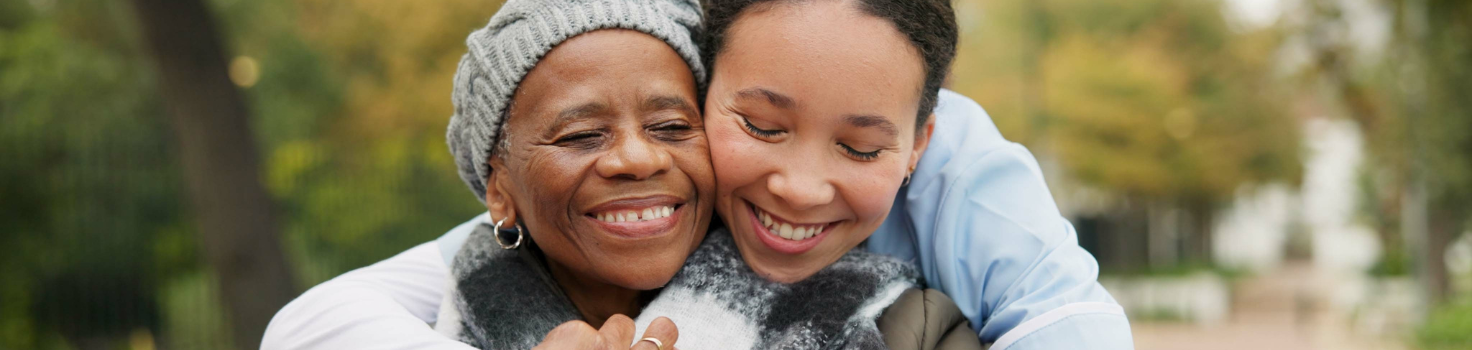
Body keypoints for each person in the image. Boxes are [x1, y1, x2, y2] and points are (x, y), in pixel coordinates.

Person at [266, 0, 1135, 349]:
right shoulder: (554, 241)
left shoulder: (949, 183)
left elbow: (1066, 315)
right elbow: (314, 322)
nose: (798, 183)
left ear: (918, 143)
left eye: (862, 149)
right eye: (759, 126)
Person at [263, 0, 717, 348]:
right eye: (581, 135)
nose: (639, 159)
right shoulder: (386, 326)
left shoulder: (782, 278)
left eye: (672, 126)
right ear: (499, 193)